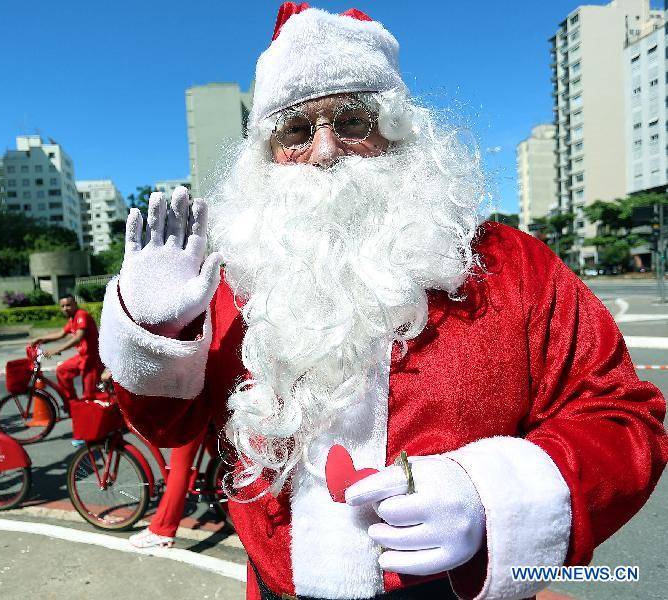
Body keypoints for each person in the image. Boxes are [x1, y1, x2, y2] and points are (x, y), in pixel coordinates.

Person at [99, 4, 668, 599]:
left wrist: (490, 497)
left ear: (395, 129)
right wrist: (157, 331)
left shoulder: (510, 265)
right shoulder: (232, 278)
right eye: (295, 130)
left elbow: (621, 416)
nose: (325, 151)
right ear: (267, 152)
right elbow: (169, 427)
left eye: (351, 120)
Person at [32, 295, 102, 402]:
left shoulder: (81, 315)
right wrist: (40, 339)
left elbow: (78, 338)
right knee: (62, 371)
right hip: (82, 357)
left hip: (92, 359)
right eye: (62, 306)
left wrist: (57, 350)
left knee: (89, 396)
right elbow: (61, 334)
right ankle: (71, 402)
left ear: (75, 304)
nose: (65, 308)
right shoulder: (72, 319)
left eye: (68, 305)